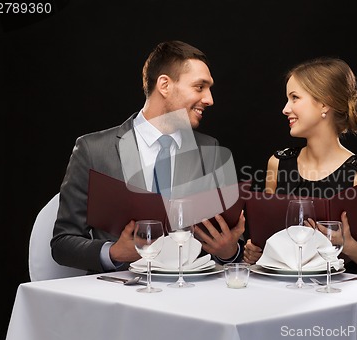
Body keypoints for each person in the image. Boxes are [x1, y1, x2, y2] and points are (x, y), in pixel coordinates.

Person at [51, 40, 244, 274]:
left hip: (190, 295)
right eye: (199, 87)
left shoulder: (210, 150)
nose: (209, 99)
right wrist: (114, 252)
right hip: (120, 297)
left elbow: (230, 243)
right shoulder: (93, 150)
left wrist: (228, 252)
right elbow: (63, 243)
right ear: (165, 85)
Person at [243, 57, 357, 275]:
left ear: (324, 104)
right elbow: (268, 243)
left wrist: (349, 246)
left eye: (295, 98)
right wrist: (256, 252)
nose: (285, 109)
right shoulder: (277, 163)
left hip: (335, 295)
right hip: (281, 290)